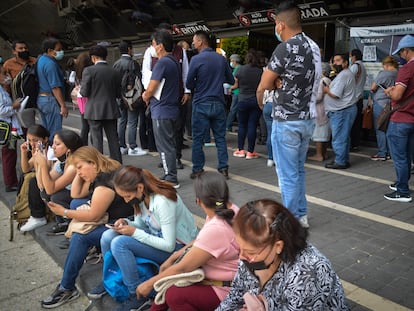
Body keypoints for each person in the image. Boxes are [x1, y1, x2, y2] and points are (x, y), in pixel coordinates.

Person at [87, 165, 198, 311]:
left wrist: (134, 232)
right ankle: (111, 278)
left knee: (120, 243)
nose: (126, 201)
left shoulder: (162, 202)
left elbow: (169, 245)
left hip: (180, 248)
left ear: (139, 188)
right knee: (108, 236)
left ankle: (137, 295)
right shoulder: (142, 198)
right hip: (157, 238)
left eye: (127, 196)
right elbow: (141, 224)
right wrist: (126, 223)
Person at [41, 146, 134, 308]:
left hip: (128, 224)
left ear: (93, 163)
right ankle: (90, 254)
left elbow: (94, 216)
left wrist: (64, 212)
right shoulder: (104, 170)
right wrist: (79, 170)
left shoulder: (105, 182)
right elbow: (75, 194)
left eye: (80, 167)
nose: (79, 172)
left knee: (80, 236)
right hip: (118, 218)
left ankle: (67, 288)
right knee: (77, 203)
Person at [256, 1, 321, 228]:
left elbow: (263, 85)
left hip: (286, 121)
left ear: (281, 24)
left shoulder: (285, 48)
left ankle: (290, 221)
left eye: (275, 23)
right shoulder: (314, 46)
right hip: (307, 120)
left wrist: (271, 85)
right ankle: (300, 215)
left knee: (287, 175)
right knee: (298, 171)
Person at [216, 199, 348, 310]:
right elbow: (235, 296)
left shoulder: (309, 271)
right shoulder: (250, 257)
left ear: (278, 246)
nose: (241, 257)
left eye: (251, 252)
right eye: (240, 248)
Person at [136, 171, 239, 311]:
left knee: (174, 294)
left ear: (198, 201)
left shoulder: (217, 227)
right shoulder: (229, 208)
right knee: (167, 289)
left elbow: (183, 267)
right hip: (229, 280)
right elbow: (201, 240)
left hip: (227, 289)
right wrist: (175, 256)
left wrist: (149, 284)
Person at [187, 30, 234, 180]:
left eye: (194, 40)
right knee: (220, 138)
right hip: (218, 103)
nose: (193, 43)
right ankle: (224, 168)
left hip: (201, 103)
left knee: (198, 139)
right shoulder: (221, 59)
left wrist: (199, 83)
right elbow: (231, 80)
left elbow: (188, 83)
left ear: (201, 42)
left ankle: (198, 169)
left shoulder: (195, 59)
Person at [20, 129, 83, 232]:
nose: (53, 146)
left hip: (83, 198)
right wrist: (38, 163)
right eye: (53, 143)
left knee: (56, 196)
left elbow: (49, 189)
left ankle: (67, 223)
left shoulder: (74, 165)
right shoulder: (62, 161)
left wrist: (43, 165)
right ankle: (43, 218)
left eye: (57, 144)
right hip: (71, 193)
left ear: (69, 149)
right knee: (35, 182)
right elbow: (41, 186)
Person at [142, 30, 182, 188]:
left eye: (152, 44)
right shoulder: (173, 61)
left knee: (164, 145)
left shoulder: (162, 63)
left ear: (159, 46)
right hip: (171, 108)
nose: (151, 48)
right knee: (169, 144)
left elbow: (151, 88)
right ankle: (169, 173)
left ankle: (171, 177)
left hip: (161, 110)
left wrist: (145, 96)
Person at [383, 35, 414, 202]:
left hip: (401, 119)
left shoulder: (407, 69)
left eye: (401, 52)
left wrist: (390, 91)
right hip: (412, 119)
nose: (401, 56)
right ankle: (401, 183)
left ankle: (402, 191)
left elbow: (398, 94)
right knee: (407, 156)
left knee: (400, 157)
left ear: (406, 51)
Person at [80, 45, 123, 163]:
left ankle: (98, 165)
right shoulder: (114, 71)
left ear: (93, 57)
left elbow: (84, 92)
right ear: (106, 56)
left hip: (93, 109)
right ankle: (117, 164)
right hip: (111, 108)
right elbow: (118, 93)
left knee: (96, 139)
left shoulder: (88, 71)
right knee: (113, 138)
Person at [113, 40, 147, 157]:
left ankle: (122, 146)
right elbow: (139, 81)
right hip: (132, 97)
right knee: (132, 122)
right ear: (129, 49)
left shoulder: (116, 64)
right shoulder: (133, 63)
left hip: (119, 96)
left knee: (122, 121)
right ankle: (133, 146)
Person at [323, 53, 356, 169]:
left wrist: (326, 90)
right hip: (342, 110)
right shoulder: (343, 74)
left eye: (338, 61)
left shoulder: (343, 75)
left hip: (342, 111)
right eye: (334, 61)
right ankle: (342, 159)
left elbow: (336, 95)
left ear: (345, 63)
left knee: (339, 137)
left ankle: (341, 161)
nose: (334, 63)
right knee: (343, 137)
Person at [232, 49, 263, 160]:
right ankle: (250, 152)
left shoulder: (240, 70)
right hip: (256, 100)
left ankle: (240, 150)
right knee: (252, 125)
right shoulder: (260, 71)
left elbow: (235, 85)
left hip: (242, 100)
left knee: (242, 125)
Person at [36, 37, 68, 141]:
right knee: (55, 133)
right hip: (51, 100)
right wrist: (63, 105)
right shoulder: (50, 64)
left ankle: (45, 154)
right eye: (58, 50)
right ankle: (53, 155)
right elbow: (55, 87)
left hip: (42, 99)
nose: (61, 52)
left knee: (46, 130)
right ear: (50, 51)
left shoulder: (40, 60)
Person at [370, 56, 398, 161]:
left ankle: (382, 153)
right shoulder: (398, 73)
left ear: (386, 65)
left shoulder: (383, 73)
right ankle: (391, 152)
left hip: (381, 103)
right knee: (389, 129)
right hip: (392, 104)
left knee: (380, 128)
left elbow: (373, 87)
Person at [0, 64, 23, 192]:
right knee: (9, 153)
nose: (7, 76)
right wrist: (14, 107)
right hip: (7, 127)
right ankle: (10, 182)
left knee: (11, 153)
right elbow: (1, 110)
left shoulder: (2, 89)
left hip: (11, 126)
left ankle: (12, 180)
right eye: (4, 73)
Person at [308, 62, 332, 162]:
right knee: (325, 133)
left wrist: (309, 99)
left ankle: (319, 155)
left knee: (319, 133)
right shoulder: (329, 80)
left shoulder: (321, 81)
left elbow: (318, 96)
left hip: (320, 110)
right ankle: (324, 153)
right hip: (327, 109)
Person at [73, 51, 93, 145]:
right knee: (93, 126)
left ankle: (83, 145)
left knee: (85, 126)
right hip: (89, 99)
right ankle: (95, 146)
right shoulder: (89, 71)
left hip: (81, 99)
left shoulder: (78, 72)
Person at [349, 49, 367, 151]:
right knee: (357, 122)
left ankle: (352, 143)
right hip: (359, 97)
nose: (351, 58)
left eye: (351, 56)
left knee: (352, 123)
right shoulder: (363, 66)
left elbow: (348, 79)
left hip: (354, 98)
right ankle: (355, 143)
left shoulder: (355, 66)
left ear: (354, 56)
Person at [225, 54, 241, 132]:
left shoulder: (238, 69)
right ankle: (241, 125)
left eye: (231, 61)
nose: (231, 63)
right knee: (237, 110)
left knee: (233, 109)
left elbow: (236, 82)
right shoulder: (238, 68)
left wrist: (230, 88)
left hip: (237, 92)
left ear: (234, 61)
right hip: (238, 92)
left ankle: (228, 126)